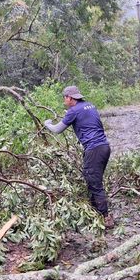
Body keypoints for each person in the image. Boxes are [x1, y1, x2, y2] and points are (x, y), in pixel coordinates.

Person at [44, 86, 114, 228]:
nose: (64, 100)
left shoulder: (73, 111)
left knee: (94, 181)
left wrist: (47, 124)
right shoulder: (90, 106)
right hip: (104, 147)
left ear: (70, 98)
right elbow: (84, 117)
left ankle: (106, 217)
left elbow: (57, 130)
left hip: (94, 149)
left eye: (65, 97)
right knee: (92, 178)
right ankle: (95, 210)